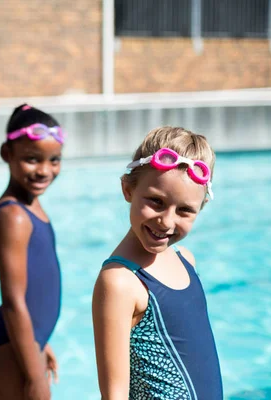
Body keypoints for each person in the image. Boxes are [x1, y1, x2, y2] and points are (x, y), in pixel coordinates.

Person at [92, 127, 223, 399]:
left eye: (185, 210)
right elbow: (114, 394)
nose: (166, 221)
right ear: (128, 189)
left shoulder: (185, 260)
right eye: (156, 201)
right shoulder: (120, 281)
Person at [0, 104, 63, 400]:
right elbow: (14, 301)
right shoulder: (13, 216)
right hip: (6, 343)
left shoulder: (30, 204)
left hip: (24, 339)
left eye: (54, 160)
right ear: (6, 154)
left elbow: (36, 289)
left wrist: (40, 341)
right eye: (31, 159)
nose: (44, 170)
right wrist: (35, 376)